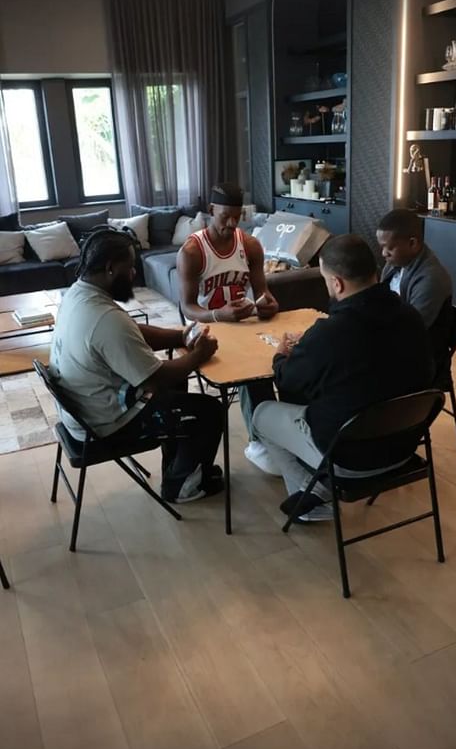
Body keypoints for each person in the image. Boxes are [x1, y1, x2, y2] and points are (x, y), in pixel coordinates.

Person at [252, 234, 434, 522]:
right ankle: (319, 487)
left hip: (350, 457)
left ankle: (313, 498)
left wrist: (280, 355)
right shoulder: (410, 316)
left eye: (325, 280)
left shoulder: (331, 333)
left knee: (262, 415)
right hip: (404, 446)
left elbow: (287, 381)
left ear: (336, 283)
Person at [49, 229, 224, 504]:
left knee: (177, 385)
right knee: (210, 411)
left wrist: (180, 336)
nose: (133, 274)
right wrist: (199, 355)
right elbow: (155, 378)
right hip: (103, 425)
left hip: (81, 411)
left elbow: (130, 332)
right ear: (110, 269)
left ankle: (179, 470)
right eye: (129, 268)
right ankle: (181, 488)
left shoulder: (79, 295)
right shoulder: (104, 318)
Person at [177, 182, 280, 474]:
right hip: (206, 325)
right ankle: (260, 441)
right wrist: (217, 315)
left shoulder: (250, 245)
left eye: (238, 217)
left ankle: (279, 432)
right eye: (226, 217)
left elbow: (263, 292)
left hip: (241, 321)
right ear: (211, 211)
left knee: (277, 358)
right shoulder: (192, 251)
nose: (232, 224)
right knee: (250, 370)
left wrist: (268, 303)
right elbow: (186, 307)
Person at [376, 208, 453, 372]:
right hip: (394, 337)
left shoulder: (431, 278)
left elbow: (410, 330)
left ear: (412, 243)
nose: (383, 254)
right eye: (381, 247)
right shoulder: (395, 263)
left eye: (388, 248)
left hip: (419, 358)